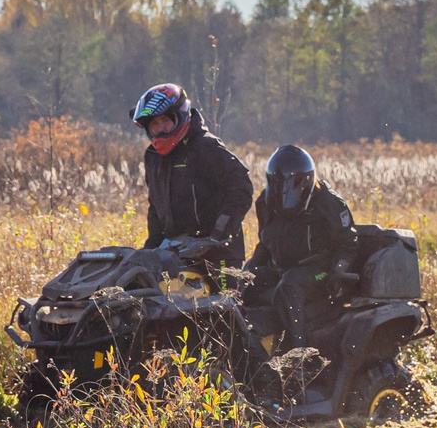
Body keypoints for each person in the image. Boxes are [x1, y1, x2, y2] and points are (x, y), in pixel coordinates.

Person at [244, 144, 358, 350]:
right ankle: (248, 345)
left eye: (291, 184)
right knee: (241, 284)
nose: (285, 191)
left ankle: (299, 354)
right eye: (278, 184)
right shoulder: (265, 203)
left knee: (290, 285)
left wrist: (338, 272)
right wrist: (246, 273)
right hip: (280, 267)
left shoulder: (329, 203)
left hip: (319, 269)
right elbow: (265, 243)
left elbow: (349, 243)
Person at [132, 83, 253, 268]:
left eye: (165, 120)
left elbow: (241, 188)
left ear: (179, 115)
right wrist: (151, 248)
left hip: (219, 254)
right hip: (175, 252)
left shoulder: (206, 147)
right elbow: (156, 207)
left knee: (225, 297)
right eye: (154, 124)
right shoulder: (153, 156)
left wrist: (217, 235)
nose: (160, 128)